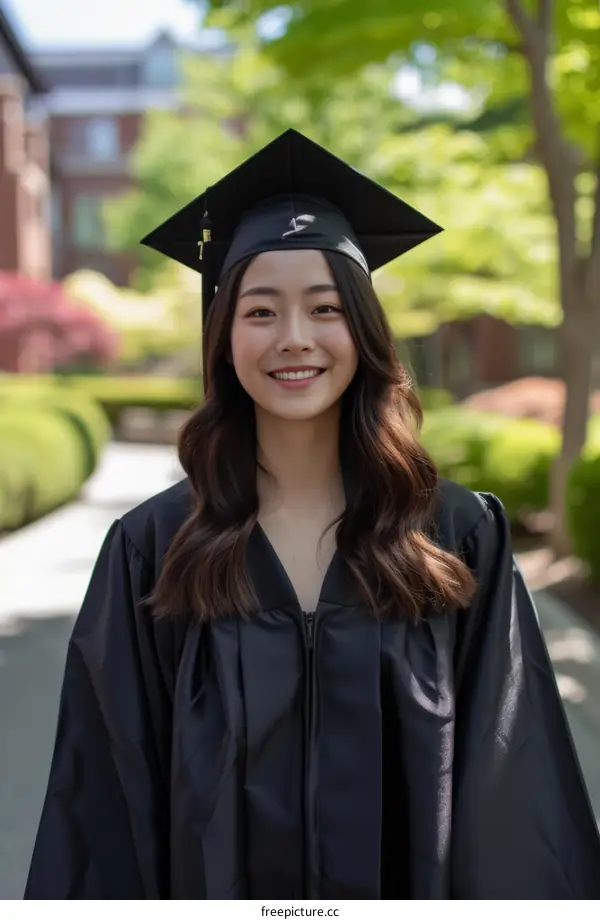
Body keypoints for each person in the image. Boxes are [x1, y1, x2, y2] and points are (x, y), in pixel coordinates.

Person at [25, 130, 600, 899]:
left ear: (362, 331)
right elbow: (102, 797)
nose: (294, 338)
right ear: (224, 339)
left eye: (324, 308)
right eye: (260, 311)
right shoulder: (152, 549)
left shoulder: (455, 536)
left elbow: (513, 780)